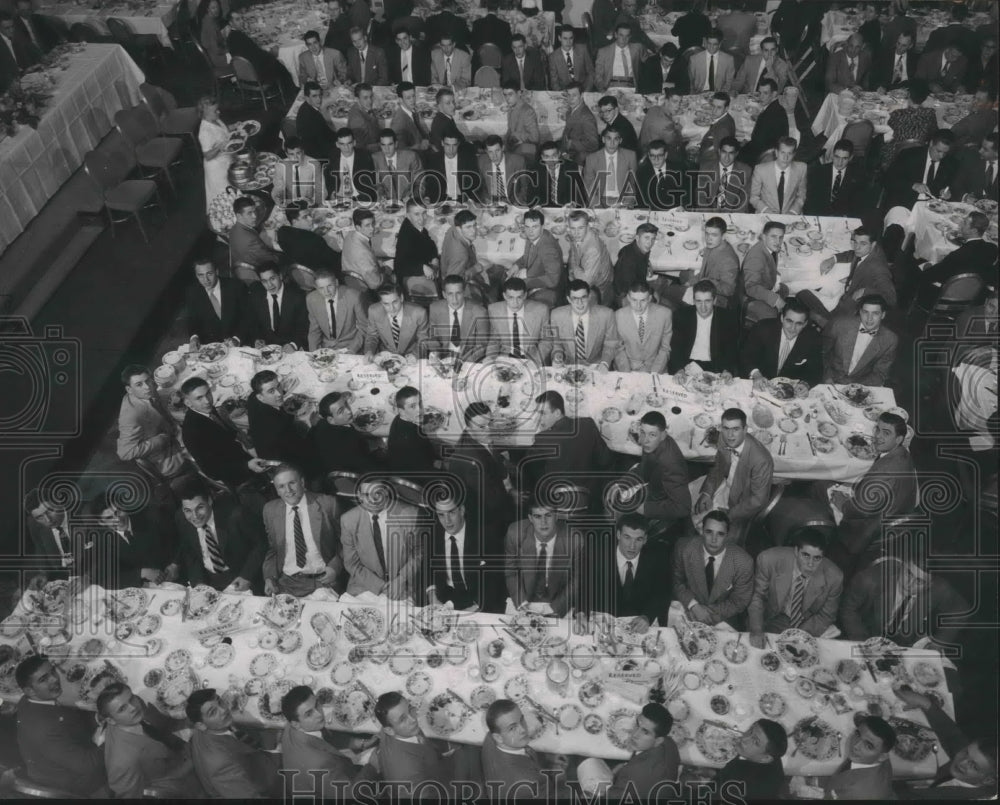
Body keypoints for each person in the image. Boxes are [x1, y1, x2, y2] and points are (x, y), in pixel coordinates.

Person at [822, 411, 917, 569]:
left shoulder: (886, 472)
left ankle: (824, 541)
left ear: (899, 439)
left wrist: (843, 503)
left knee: (823, 487)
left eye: (886, 433)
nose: (878, 436)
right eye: (877, 429)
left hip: (865, 529)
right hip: (890, 512)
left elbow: (862, 508)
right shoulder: (903, 454)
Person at [14, 656, 107, 795]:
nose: (54, 679)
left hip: (64, 754)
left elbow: (64, 720)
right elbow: (88, 765)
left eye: (52, 671)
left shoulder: (27, 701)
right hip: (79, 782)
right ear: (30, 691)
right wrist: (112, 735)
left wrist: (96, 718)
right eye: (43, 679)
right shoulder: (46, 731)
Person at [841, 550, 966, 650]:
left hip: (906, 643)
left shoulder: (939, 588)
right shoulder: (869, 580)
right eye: (909, 573)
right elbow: (848, 609)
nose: (909, 584)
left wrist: (938, 643)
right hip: (868, 633)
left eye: (919, 581)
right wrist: (864, 642)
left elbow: (960, 611)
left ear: (929, 585)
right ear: (903, 565)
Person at [96, 683, 202, 799]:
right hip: (178, 785)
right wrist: (192, 761)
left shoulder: (126, 718)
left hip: (174, 754)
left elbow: (162, 728)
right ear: (111, 720)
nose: (133, 708)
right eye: (122, 709)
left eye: (131, 698)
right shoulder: (123, 762)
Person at [893, 687, 999, 799]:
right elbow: (954, 737)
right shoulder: (974, 767)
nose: (962, 761)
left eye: (974, 766)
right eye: (966, 752)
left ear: (989, 780)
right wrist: (926, 703)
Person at [748, 529, 844, 643]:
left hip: (807, 624)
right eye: (806, 555)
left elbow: (826, 616)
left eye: (817, 558)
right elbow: (757, 597)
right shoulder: (768, 559)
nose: (810, 564)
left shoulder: (834, 577)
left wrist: (797, 637)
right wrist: (757, 630)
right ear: (796, 551)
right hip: (770, 618)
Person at [694, 408, 774, 544]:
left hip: (741, 504)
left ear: (745, 429)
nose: (730, 435)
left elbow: (757, 501)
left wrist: (729, 515)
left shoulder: (761, 460)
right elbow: (718, 467)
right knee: (692, 505)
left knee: (711, 538)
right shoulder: (724, 438)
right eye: (726, 428)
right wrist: (707, 493)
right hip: (725, 485)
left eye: (736, 429)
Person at [261, 464, 342, 597]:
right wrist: (269, 577)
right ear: (277, 490)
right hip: (286, 583)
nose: (288, 490)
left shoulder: (328, 504)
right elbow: (273, 549)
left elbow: (344, 543)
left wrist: (335, 567)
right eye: (281, 486)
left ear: (302, 482)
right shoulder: (270, 510)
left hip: (322, 581)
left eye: (292, 483)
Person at [280, 687, 375, 797]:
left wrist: (361, 743)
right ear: (295, 723)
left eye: (317, 705)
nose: (319, 714)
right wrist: (372, 765)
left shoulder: (293, 727)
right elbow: (349, 795)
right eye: (309, 714)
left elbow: (326, 736)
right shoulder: (319, 764)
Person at [526, 390, 613, 508]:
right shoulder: (588, 424)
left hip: (557, 500)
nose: (538, 418)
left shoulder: (542, 439)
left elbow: (529, 468)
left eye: (542, 413)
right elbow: (605, 460)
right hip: (589, 496)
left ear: (557, 413)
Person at [175, 480, 266, 592]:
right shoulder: (181, 519)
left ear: (209, 500)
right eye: (188, 510)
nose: (195, 516)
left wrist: (246, 576)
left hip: (238, 576)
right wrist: (199, 582)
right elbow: (190, 552)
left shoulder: (237, 515)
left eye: (200, 508)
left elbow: (262, 543)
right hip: (208, 579)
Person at [584, 513, 671, 628]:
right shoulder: (596, 553)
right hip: (603, 619)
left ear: (645, 539)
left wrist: (647, 617)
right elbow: (583, 587)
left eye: (638, 539)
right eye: (627, 537)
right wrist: (582, 613)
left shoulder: (658, 557)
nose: (632, 546)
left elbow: (662, 593)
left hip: (639, 621)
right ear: (618, 535)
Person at [340, 479, 424, 599]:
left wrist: (401, 579)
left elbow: (418, 553)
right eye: (366, 495)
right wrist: (381, 586)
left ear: (386, 492)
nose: (372, 500)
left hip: (402, 586)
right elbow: (352, 563)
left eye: (377, 493)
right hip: (363, 586)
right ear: (359, 495)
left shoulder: (410, 514)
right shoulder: (348, 520)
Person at [187, 689, 280, 797]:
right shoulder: (222, 767)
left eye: (220, 702)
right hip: (267, 784)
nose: (223, 710)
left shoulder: (204, 728)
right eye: (213, 712)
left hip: (251, 761)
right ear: (201, 725)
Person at [447, 403, 517, 543]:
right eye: (481, 427)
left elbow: (493, 459)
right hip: (485, 523)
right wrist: (513, 495)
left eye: (490, 423)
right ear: (468, 427)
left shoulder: (477, 439)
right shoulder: (473, 462)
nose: (489, 429)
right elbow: (493, 503)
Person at [800, 227, 895, 328]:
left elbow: (891, 298)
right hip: (847, 290)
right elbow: (852, 254)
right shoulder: (870, 250)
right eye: (855, 242)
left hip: (849, 308)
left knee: (802, 294)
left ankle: (830, 325)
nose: (857, 247)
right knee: (824, 282)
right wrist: (833, 259)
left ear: (873, 244)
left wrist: (865, 291)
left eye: (863, 243)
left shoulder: (879, 269)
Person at [77, 495, 178, 590]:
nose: (117, 519)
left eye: (118, 511)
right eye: (109, 518)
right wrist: (140, 574)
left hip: (173, 579)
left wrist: (175, 563)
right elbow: (105, 578)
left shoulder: (152, 515)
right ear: (101, 522)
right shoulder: (101, 539)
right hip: (141, 589)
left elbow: (180, 538)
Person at [673, 510, 753, 628]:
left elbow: (739, 601)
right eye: (709, 532)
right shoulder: (684, 548)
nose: (714, 539)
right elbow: (676, 582)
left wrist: (706, 614)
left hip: (723, 617)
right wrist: (694, 606)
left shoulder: (744, 561)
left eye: (720, 534)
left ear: (727, 534)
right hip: (688, 610)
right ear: (701, 530)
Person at [504, 499, 582, 616]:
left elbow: (577, 580)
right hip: (526, 600)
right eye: (537, 516)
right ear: (530, 518)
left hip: (557, 600)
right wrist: (520, 601)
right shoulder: (515, 533)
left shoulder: (575, 540)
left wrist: (556, 608)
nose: (543, 522)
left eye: (548, 515)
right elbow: (511, 572)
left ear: (556, 516)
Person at [426, 493, 502, 611]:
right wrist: (432, 597)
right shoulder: (433, 534)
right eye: (441, 515)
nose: (447, 521)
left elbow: (494, 580)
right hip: (444, 599)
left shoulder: (486, 536)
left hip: (477, 601)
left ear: (462, 510)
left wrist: (476, 607)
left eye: (451, 512)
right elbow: (427, 569)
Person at [482, 700, 568, 800]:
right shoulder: (526, 785)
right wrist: (560, 781)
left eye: (521, 719)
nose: (523, 729)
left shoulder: (490, 738)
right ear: (498, 737)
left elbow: (526, 753)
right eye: (512, 728)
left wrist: (547, 760)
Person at [914, 211, 998, 311]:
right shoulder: (992, 249)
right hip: (973, 298)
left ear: (974, 230)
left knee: (917, 269)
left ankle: (905, 303)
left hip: (945, 299)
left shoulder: (957, 256)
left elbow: (932, 275)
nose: (960, 224)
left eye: (965, 223)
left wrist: (927, 266)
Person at [116, 364, 187, 481]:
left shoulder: (145, 391)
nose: (147, 387)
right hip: (168, 457)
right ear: (129, 390)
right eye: (139, 384)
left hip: (174, 432)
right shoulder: (130, 416)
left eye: (148, 381)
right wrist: (161, 439)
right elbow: (125, 453)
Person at [630, 411, 691, 535]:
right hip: (655, 487)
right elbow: (647, 468)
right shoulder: (653, 443)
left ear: (663, 435)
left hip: (664, 504)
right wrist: (625, 481)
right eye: (642, 432)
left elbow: (683, 508)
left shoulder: (671, 464)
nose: (644, 440)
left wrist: (644, 509)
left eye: (652, 435)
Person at [742, 298, 823, 386]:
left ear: (805, 324)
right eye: (789, 321)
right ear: (781, 318)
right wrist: (756, 374)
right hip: (760, 381)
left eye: (799, 323)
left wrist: (806, 384)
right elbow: (746, 356)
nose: (792, 328)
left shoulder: (813, 338)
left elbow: (816, 369)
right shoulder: (762, 328)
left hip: (790, 388)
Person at [663, 216, 739, 309]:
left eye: (714, 235)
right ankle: (685, 303)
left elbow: (729, 290)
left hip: (716, 298)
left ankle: (685, 311)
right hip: (705, 285)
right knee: (683, 274)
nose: (708, 239)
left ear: (723, 236)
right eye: (707, 234)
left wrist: (708, 281)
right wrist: (689, 283)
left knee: (667, 291)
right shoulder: (712, 246)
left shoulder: (728, 260)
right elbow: (703, 272)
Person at [822, 294, 898, 387]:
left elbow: (880, 373)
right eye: (866, 312)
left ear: (883, 315)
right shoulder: (839, 325)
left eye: (875, 313)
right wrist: (827, 376)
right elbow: (823, 353)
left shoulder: (890, 339)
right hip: (831, 379)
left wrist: (857, 388)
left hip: (861, 385)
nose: (869, 318)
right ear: (860, 312)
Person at [606, 703, 680, 798]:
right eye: (637, 724)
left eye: (645, 732)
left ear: (658, 740)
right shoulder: (669, 743)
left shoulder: (636, 774)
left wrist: (613, 775)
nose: (634, 734)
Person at [246, 370, 314, 470]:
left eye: (278, 386)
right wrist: (308, 422)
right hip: (291, 462)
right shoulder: (280, 426)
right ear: (260, 397)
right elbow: (302, 446)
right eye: (271, 391)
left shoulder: (253, 398)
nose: (279, 394)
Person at [668, 280, 739, 374]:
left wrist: (726, 370)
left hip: (715, 367)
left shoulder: (727, 318)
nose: (703, 307)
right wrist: (679, 369)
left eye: (707, 301)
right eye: (699, 301)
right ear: (693, 301)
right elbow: (675, 348)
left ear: (715, 300)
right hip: (686, 366)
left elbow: (731, 351)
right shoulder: (681, 316)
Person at [819, 716, 897, 800]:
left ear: (882, 757)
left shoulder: (857, 794)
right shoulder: (878, 755)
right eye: (858, 734)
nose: (855, 746)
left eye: (868, 746)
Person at [309, 391, 383, 474]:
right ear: (331, 420)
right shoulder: (353, 440)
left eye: (346, 404)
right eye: (341, 411)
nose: (348, 411)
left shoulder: (321, 423)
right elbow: (369, 466)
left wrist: (313, 426)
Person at [548, 280, 618, 369]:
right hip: (568, 366)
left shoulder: (606, 314)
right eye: (575, 298)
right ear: (569, 299)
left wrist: (605, 363)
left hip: (596, 366)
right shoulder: (556, 315)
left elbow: (611, 343)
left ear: (589, 297)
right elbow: (557, 344)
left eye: (583, 297)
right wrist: (557, 356)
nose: (580, 303)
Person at [714, 719, 788, 801]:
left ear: (766, 758)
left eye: (755, 741)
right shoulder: (770, 754)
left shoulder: (738, 783)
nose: (744, 738)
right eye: (750, 730)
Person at [485, 277, 550, 365]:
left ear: (525, 295)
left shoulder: (541, 310)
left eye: (519, 297)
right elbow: (494, 339)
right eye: (510, 297)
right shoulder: (494, 310)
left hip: (532, 358)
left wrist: (537, 359)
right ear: (504, 296)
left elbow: (546, 340)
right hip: (505, 357)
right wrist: (490, 356)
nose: (515, 302)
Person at [427, 274, 490, 363]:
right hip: (444, 357)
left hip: (469, 358)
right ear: (444, 294)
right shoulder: (435, 308)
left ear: (464, 292)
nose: (455, 299)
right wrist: (435, 352)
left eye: (458, 293)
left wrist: (463, 361)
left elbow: (482, 345)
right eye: (450, 294)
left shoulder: (480, 312)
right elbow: (433, 337)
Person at [881, 80, 940, 170]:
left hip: (895, 156)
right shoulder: (930, 114)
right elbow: (934, 132)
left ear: (908, 95)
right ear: (925, 98)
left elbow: (889, 125)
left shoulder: (898, 114)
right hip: (918, 156)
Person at [614, 281, 672, 373]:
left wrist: (654, 372)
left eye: (643, 300)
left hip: (656, 368)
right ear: (628, 298)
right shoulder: (617, 316)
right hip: (627, 369)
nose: (638, 306)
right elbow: (618, 349)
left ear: (649, 298)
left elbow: (665, 348)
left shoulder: (665, 314)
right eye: (634, 300)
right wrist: (627, 374)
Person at [508, 208, 561, 306]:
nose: (530, 231)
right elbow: (527, 256)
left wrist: (525, 282)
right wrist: (516, 265)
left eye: (535, 227)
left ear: (542, 226)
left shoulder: (549, 249)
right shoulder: (533, 236)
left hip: (546, 289)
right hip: (534, 276)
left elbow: (553, 280)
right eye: (527, 227)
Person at [306, 269, 368, 353]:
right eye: (321, 288)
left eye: (330, 286)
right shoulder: (311, 299)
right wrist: (313, 353)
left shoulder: (354, 297)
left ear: (336, 282)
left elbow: (364, 328)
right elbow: (314, 331)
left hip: (350, 346)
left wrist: (351, 349)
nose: (326, 292)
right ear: (316, 287)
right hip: (326, 348)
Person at [248, 265, 309, 347]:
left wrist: (293, 345)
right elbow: (253, 323)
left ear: (280, 276)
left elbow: (304, 327)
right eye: (264, 281)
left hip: (289, 346)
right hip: (266, 346)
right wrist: (257, 339)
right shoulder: (256, 295)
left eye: (272, 279)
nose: (269, 285)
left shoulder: (297, 296)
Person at [363, 283, 429, 358]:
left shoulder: (419, 313)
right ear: (381, 303)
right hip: (386, 356)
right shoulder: (374, 311)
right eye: (386, 304)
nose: (391, 308)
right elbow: (372, 336)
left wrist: (415, 355)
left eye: (395, 302)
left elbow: (423, 340)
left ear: (401, 298)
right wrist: (369, 351)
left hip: (411, 355)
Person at [804, 138, 865, 218]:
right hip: (820, 216)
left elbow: (857, 204)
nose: (840, 162)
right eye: (837, 157)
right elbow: (810, 201)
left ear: (850, 158)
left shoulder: (858, 176)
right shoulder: (818, 172)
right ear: (832, 155)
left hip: (842, 218)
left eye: (844, 158)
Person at [583, 124, 638, 209]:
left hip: (621, 200)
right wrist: (599, 208)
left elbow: (632, 184)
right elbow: (589, 187)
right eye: (609, 138)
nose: (612, 143)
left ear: (620, 140)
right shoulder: (591, 159)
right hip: (600, 200)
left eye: (616, 139)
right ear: (603, 139)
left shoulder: (630, 156)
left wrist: (624, 204)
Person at [742, 221, 788, 323]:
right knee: (771, 317)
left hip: (765, 286)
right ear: (763, 237)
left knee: (785, 289)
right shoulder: (756, 258)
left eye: (781, 237)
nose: (778, 241)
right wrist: (774, 299)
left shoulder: (769, 247)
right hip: (749, 298)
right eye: (773, 237)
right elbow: (750, 287)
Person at [567, 210, 614, 305]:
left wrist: (574, 269)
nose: (576, 233)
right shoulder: (578, 236)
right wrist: (572, 272)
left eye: (580, 228)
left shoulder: (593, 249)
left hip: (599, 288)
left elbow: (586, 283)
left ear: (588, 227)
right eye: (573, 228)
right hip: (585, 275)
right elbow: (572, 255)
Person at [387, 386, 437, 474]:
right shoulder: (414, 437)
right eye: (412, 406)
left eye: (420, 403)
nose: (420, 410)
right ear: (401, 411)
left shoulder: (398, 418)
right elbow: (425, 468)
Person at [750, 136, 807, 214]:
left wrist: (793, 212)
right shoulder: (760, 170)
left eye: (789, 153)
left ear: (794, 154)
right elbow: (754, 197)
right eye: (782, 152)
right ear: (776, 153)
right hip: (766, 214)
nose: (785, 157)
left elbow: (801, 196)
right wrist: (767, 211)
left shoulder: (801, 168)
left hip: (791, 215)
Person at [393, 199, 439, 293]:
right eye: (417, 214)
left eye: (424, 213)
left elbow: (429, 242)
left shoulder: (415, 226)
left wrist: (434, 257)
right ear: (408, 215)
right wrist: (422, 267)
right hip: (411, 280)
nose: (422, 218)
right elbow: (401, 264)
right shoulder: (406, 236)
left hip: (422, 265)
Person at [423, 130, 480, 205]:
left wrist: (473, 201)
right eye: (447, 145)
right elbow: (430, 182)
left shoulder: (468, 159)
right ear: (442, 143)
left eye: (454, 145)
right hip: (441, 200)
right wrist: (427, 198)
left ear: (458, 144)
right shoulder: (433, 159)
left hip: (463, 200)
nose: (451, 149)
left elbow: (475, 184)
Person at [276, 206, 341, 271]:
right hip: (328, 271)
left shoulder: (282, 232)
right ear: (294, 221)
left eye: (309, 215)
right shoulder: (315, 241)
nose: (311, 219)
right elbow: (335, 259)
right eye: (305, 217)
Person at [695, 136, 750, 212]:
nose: (726, 157)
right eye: (724, 152)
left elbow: (744, 199)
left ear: (736, 154)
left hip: (733, 213)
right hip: (709, 212)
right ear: (719, 151)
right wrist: (709, 215)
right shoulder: (706, 167)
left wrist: (731, 218)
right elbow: (701, 196)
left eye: (731, 153)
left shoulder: (745, 170)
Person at [739, 77, 785, 166]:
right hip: (772, 150)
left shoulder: (768, 115)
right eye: (760, 93)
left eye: (765, 93)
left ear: (774, 94)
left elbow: (757, 143)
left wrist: (744, 145)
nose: (761, 97)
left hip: (763, 158)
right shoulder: (778, 107)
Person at [197, 97, 233, 208]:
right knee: (225, 198)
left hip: (226, 160)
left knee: (232, 191)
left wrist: (234, 126)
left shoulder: (215, 119)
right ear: (205, 113)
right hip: (217, 169)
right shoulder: (205, 132)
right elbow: (207, 156)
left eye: (217, 109)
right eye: (215, 110)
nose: (219, 112)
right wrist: (219, 147)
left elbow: (223, 130)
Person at [327, 128, 377, 203]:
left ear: (354, 143)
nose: (346, 148)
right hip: (339, 199)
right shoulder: (332, 156)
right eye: (342, 144)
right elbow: (329, 179)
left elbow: (370, 183)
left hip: (359, 199)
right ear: (337, 144)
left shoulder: (365, 157)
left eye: (349, 143)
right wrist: (332, 193)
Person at [613, 222, 659, 302]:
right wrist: (652, 292)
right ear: (637, 238)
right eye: (646, 238)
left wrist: (647, 263)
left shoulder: (639, 247)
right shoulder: (628, 261)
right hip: (628, 295)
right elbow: (632, 287)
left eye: (653, 238)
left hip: (639, 282)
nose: (650, 243)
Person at [229, 196, 280, 268]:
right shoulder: (251, 241)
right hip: (261, 268)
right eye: (249, 213)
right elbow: (272, 260)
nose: (255, 216)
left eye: (254, 211)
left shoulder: (233, 229)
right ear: (239, 216)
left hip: (244, 260)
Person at [478, 134, 529, 206]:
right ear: (486, 151)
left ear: (503, 148)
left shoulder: (518, 161)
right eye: (490, 152)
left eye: (497, 151)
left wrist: (516, 203)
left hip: (512, 202)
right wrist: (487, 200)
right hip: (492, 204)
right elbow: (481, 186)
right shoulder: (481, 161)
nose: (494, 156)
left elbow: (525, 186)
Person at [373, 128, 420, 201]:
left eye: (390, 144)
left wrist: (413, 198)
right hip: (387, 205)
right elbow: (376, 184)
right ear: (380, 145)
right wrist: (380, 196)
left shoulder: (411, 157)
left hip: (408, 202)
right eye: (383, 145)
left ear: (396, 144)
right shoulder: (375, 158)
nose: (387, 149)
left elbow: (420, 182)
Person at [594, 22, 642, 92]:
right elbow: (598, 76)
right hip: (611, 86)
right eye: (621, 35)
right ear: (616, 35)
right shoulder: (603, 52)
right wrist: (603, 90)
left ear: (630, 37)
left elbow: (650, 61)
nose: (624, 39)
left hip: (631, 87)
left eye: (627, 36)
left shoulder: (637, 49)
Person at [296, 82, 337, 161]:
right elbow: (323, 145)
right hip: (318, 157)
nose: (319, 99)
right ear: (307, 98)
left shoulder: (307, 107)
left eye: (320, 95)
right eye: (314, 96)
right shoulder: (310, 118)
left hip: (318, 147)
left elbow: (325, 132)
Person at [561, 82, 601, 163]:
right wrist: (563, 151)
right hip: (570, 152)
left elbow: (594, 144)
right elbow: (567, 132)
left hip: (579, 156)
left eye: (574, 95)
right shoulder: (571, 110)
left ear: (582, 95)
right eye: (568, 95)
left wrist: (571, 144)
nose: (570, 99)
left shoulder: (586, 117)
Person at [534, 141, 582, 206]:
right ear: (542, 157)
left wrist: (572, 204)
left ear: (559, 154)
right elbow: (532, 193)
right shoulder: (536, 169)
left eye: (554, 156)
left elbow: (577, 191)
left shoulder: (571, 167)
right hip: (544, 208)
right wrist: (537, 207)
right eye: (547, 157)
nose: (551, 159)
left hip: (565, 207)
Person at [954, 133, 999, 202]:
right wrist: (965, 197)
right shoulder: (971, 158)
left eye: (985, 149)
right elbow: (956, 184)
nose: (980, 151)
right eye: (981, 146)